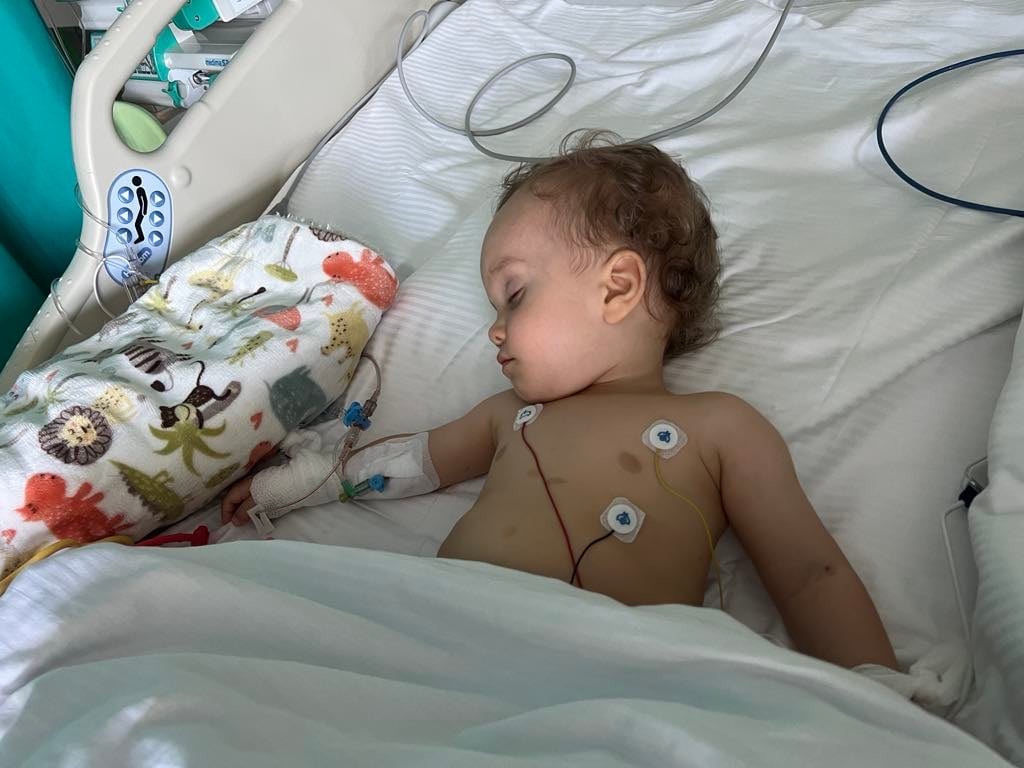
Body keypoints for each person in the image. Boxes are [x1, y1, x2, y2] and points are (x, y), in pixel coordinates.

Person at [222, 134, 898, 671]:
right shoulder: (506, 416)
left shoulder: (721, 426)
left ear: (618, 288)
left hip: (608, 670)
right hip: (446, 637)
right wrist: (291, 486)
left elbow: (811, 573)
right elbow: (404, 465)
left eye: (514, 296)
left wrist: (876, 698)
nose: (495, 330)